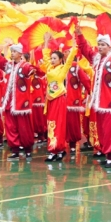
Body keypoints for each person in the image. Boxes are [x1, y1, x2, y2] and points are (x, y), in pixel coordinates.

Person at [75, 28, 111, 168]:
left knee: (110, 130)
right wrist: (80, 35)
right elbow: (86, 50)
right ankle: (108, 154)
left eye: (103, 45)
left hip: (110, 104)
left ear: (109, 47)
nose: (100, 47)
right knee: (102, 130)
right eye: (99, 44)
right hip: (99, 103)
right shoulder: (97, 60)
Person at [0, 39, 37, 160]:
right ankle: (15, 150)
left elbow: (31, 69)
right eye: (11, 52)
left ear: (20, 54)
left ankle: (27, 150)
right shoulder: (8, 66)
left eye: (14, 52)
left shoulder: (25, 66)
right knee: (11, 128)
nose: (12, 54)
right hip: (9, 102)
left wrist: (32, 71)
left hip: (21, 104)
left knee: (24, 128)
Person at [42, 33, 78, 162]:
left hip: (59, 99)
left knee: (59, 124)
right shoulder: (49, 68)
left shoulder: (63, 68)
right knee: (51, 124)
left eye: (54, 58)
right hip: (50, 100)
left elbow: (70, 59)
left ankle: (58, 149)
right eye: (51, 58)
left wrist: (74, 43)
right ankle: (54, 149)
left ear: (60, 60)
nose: (51, 60)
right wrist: (46, 41)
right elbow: (45, 56)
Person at [65, 49, 92, 154]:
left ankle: (72, 145)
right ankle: (57, 146)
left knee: (72, 124)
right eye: (66, 51)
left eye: (69, 50)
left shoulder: (75, 66)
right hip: (58, 101)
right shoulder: (58, 66)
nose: (66, 52)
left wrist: (91, 91)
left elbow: (85, 80)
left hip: (72, 101)